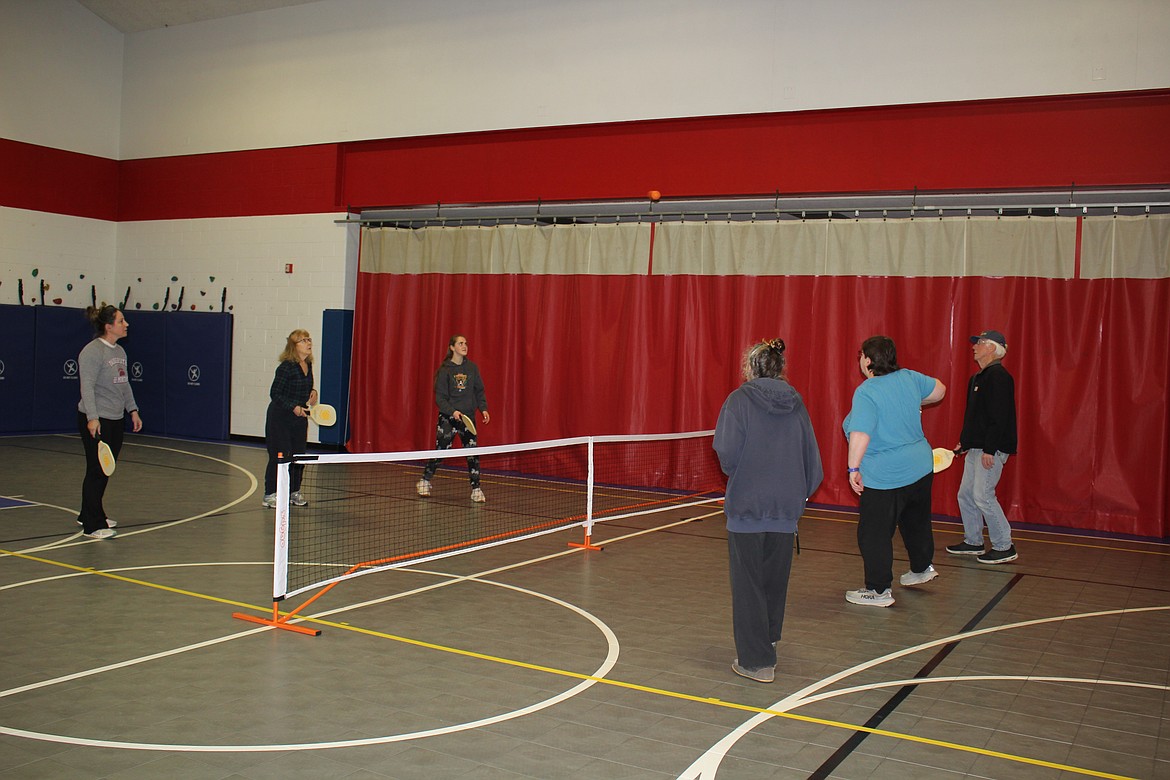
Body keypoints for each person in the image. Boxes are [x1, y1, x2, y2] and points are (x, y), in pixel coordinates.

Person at [713, 339, 823, 683]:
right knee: (775, 582)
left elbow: (726, 454)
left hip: (748, 506)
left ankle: (756, 661)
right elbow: (813, 461)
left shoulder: (737, 401)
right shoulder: (798, 404)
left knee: (748, 585)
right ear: (780, 368)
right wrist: (796, 495)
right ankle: (769, 640)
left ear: (751, 368)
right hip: (786, 507)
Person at [842, 336, 946, 607]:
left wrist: (853, 468)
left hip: (886, 476)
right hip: (921, 467)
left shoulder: (867, 391)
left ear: (867, 359)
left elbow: (860, 433)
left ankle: (878, 591)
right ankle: (921, 569)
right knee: (916, 522)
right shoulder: (909, 378)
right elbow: (940, 391)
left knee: (873, 532)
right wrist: (911, 402)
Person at [947, 329, 1019, 564]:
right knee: (966, 494)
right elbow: (974, 416)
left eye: (980, 343)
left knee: (983, 496)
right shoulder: (977, 378)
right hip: (977, 447)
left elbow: (999, 416)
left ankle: (1004, 545)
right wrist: (965, 442)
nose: (974, 346)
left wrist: (990, 449)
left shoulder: (999, 377)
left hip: (991, 449)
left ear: (992, 348)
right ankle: (973, 540)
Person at [77, 304, 142, 539]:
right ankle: (92, 525)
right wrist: (92, 418)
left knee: (105, 469)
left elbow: (123, 384)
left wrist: (132, 410)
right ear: (109, 326)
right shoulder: (92, 352)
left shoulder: (119, 352)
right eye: (121, 321)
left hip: (115, 418)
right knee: (97, 470)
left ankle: (89, 512)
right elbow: (87, 387)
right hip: (97, 418)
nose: (126, 325)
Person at [417, 334, 491, 502]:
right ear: (452, 347)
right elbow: (440, 399)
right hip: (448, 419)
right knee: (441, 452)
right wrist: (453, 412)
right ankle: (425, 480)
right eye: (460, 343)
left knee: (472, 453)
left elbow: (479, 391)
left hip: (468, 418)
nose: (464, 346)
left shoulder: (472, 368)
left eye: (466, 343)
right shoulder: (445, 370)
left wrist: (483, 408)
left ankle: (476, 489)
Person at [263, 329, 317, 508]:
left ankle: (294, 492)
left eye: (308, 339)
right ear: (294, 346)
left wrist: (313, 393)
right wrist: (293, 407)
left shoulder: (307, 365)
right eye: (303, 340)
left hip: (298, 419)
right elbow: (275, 394)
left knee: (298, 455)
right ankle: (270, 494)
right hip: (280, 418)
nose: (308, 343)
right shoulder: (286, 367)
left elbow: (309, 387)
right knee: (280, 455)